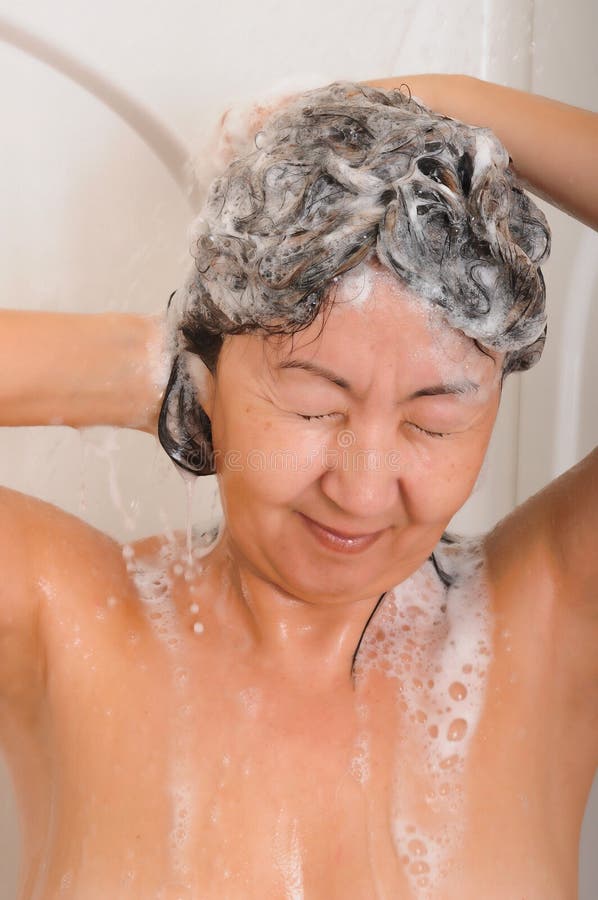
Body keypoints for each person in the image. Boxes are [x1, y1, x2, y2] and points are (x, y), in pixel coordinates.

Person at [0, 74, 595, 900]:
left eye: (432, 423)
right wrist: (137, 370)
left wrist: (435, 105)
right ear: (208, 387)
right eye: (314, 405)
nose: (360, 491)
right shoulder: (65, 623)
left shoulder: (552, 622)